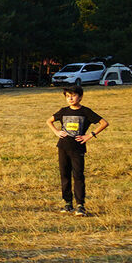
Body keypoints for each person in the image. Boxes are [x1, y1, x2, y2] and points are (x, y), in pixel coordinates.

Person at [46, 85, 108, 216]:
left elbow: (104, 123)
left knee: (78, 175)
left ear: (80, 97)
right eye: (68, 96)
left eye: (73, 96)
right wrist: (56, 132)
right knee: (64, 175)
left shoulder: (85, 111)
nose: (70, 98)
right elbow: (49, 121)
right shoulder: (63, 111)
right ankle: (67, 203)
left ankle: (80, 205)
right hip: (63, 147)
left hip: (78, 148)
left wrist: (90, 135)